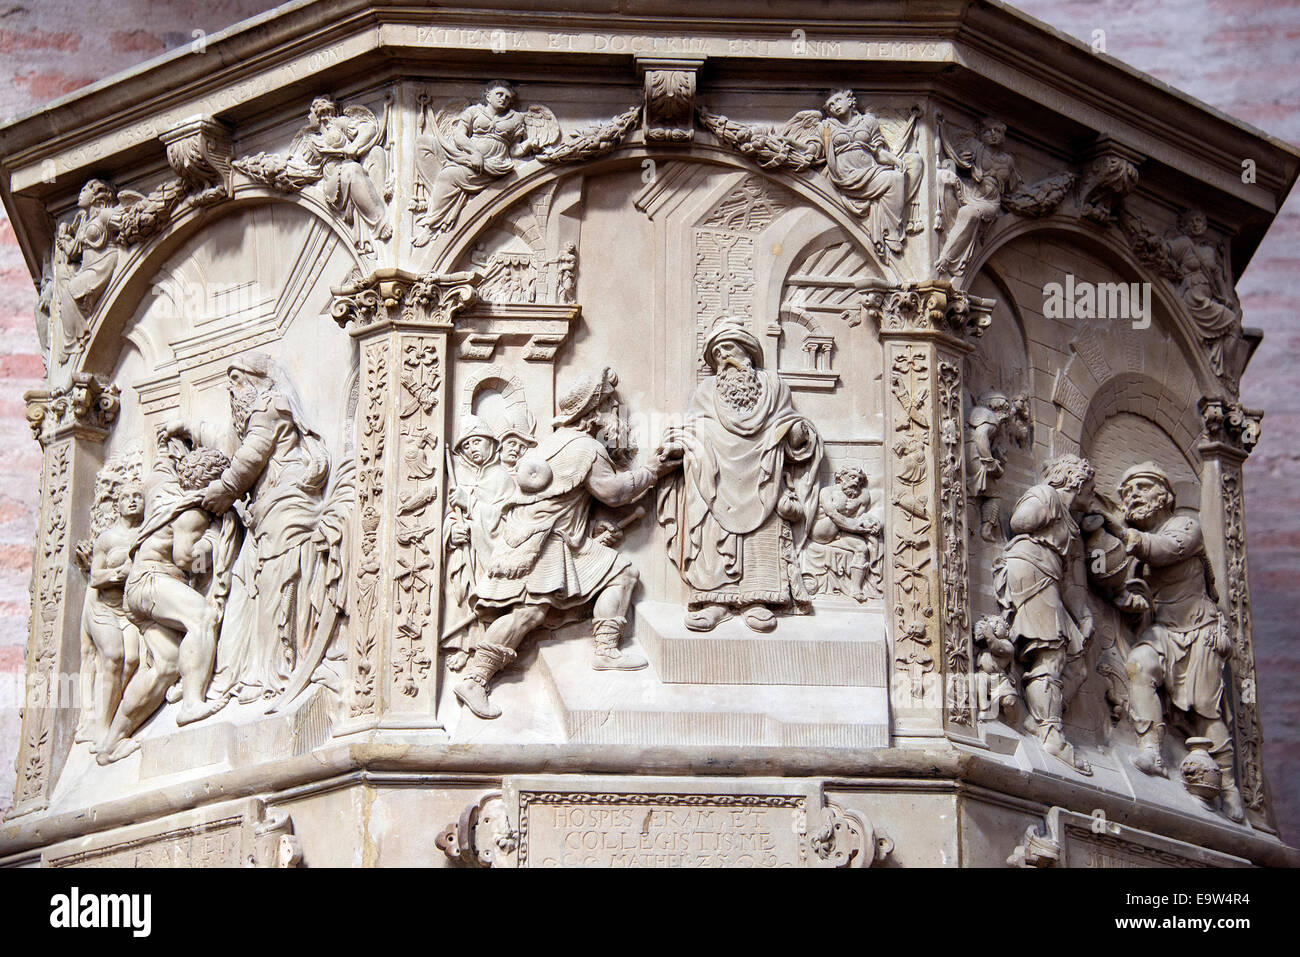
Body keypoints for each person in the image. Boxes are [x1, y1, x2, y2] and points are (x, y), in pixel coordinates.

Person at [454, 367, 681, 719]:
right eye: (608, 406)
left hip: (548, 540)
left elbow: (572, 500)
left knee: (621, 572)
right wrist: (652, 470)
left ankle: (606, 649)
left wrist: (596, 527)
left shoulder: (552, 442)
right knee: (529, 612)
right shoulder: (586, 448)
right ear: (592, 414)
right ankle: (475, 677)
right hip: (545, 544)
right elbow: (614, 492)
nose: (613, 415)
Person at [657, 318, 823, 633]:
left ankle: (756, 599)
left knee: (764, 525)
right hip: (713, 473)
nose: (724, 358)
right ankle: (715, 601)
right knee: (708, 522)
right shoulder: (706, 391)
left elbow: (789, 423)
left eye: (729, 348)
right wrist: (680, 444)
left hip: (762, 470)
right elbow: (691, 426)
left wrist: (797, 433)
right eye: (717, 353)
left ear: (747, 351)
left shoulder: (774, 386)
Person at [1114, 462, 1244, 821]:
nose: (1133, 496)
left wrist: (1113, 528)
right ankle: (1151, 750)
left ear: (1164, 496)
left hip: (1198, 628)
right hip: (1163, 630)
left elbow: (1164, 550)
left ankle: (1229, 786)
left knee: (1206, 710)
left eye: (1141, 487)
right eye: (1127, 493)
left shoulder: (1186, 527)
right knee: (1140, 665)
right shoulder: (1134, 544)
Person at [96, 444, 237, 764]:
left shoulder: (167, 500)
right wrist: (214, 545)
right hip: (153, 582)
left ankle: (111, 743)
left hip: (138, 590)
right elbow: (185, 557)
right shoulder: (194, 511)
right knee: (202, 616)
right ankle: (191, 704)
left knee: (165, 666)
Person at [996, 453, 1096, 775]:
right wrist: (1047, 505)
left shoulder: (1069, 520)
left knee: (1075, 655)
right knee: (1051, 654)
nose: (1092, 495)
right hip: (1032, 570)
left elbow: (1071, 581)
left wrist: (1082, 615)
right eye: (1090, 487)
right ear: (1075, 481)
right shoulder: (1047, 496)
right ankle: (1051, 733)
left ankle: (1040, 714)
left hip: (1047, 575)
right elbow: (1019, 522)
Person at [73, 482, 145, 748]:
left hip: (131, 611)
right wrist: (118, 574)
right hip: (104, 608)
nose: (133, 501)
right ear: (118, 505)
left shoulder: (148, 533)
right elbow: (95, 577)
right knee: (113, 657)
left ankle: (113, 715)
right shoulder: (107, 538)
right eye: (127, 497)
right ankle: (100, 729)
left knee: (133, 660)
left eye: (138, 496)